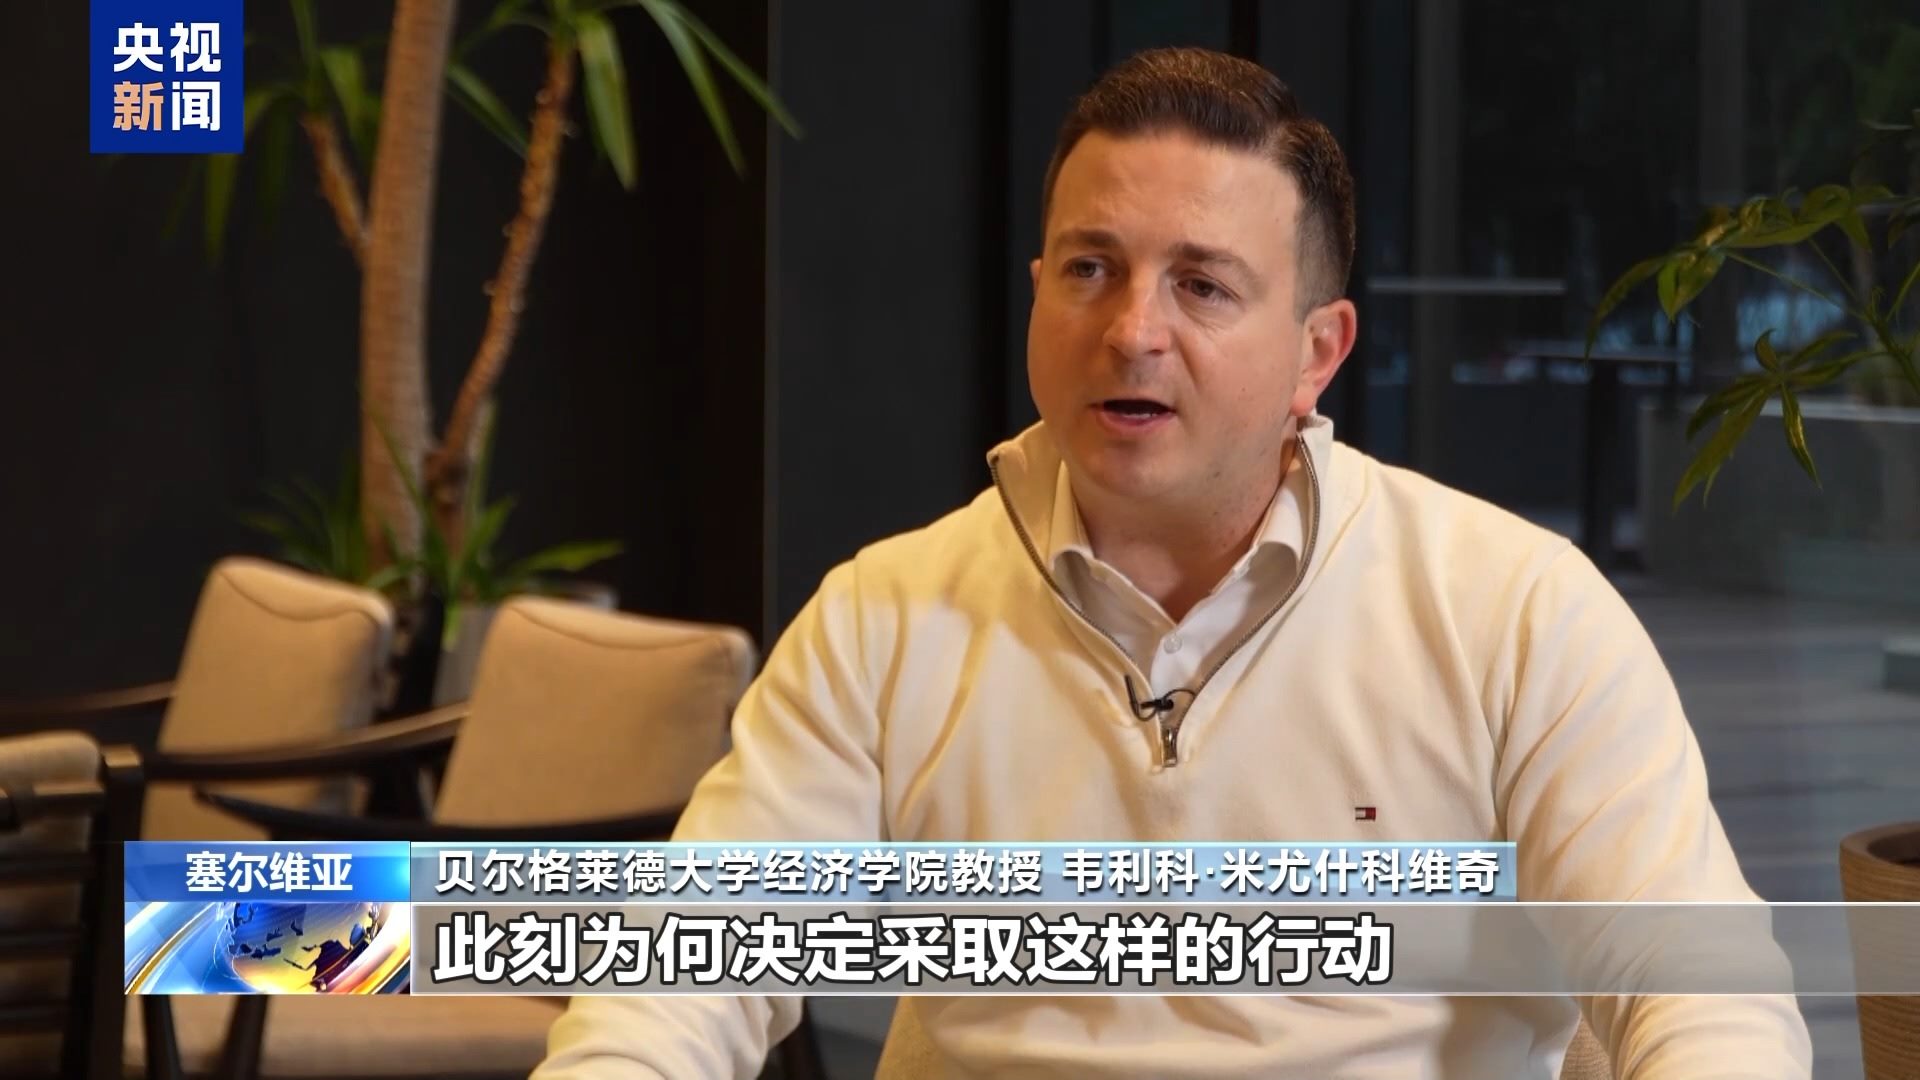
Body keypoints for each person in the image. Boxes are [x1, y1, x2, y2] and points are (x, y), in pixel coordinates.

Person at [534, 47, 1810, 1079]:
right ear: (1039, 292)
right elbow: (684, 975)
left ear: (1317, 350)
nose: (1131, 330)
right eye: (1091, 270)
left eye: (1202, 286)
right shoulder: (885, 615)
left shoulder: (1513, 608)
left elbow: (1702, 990)